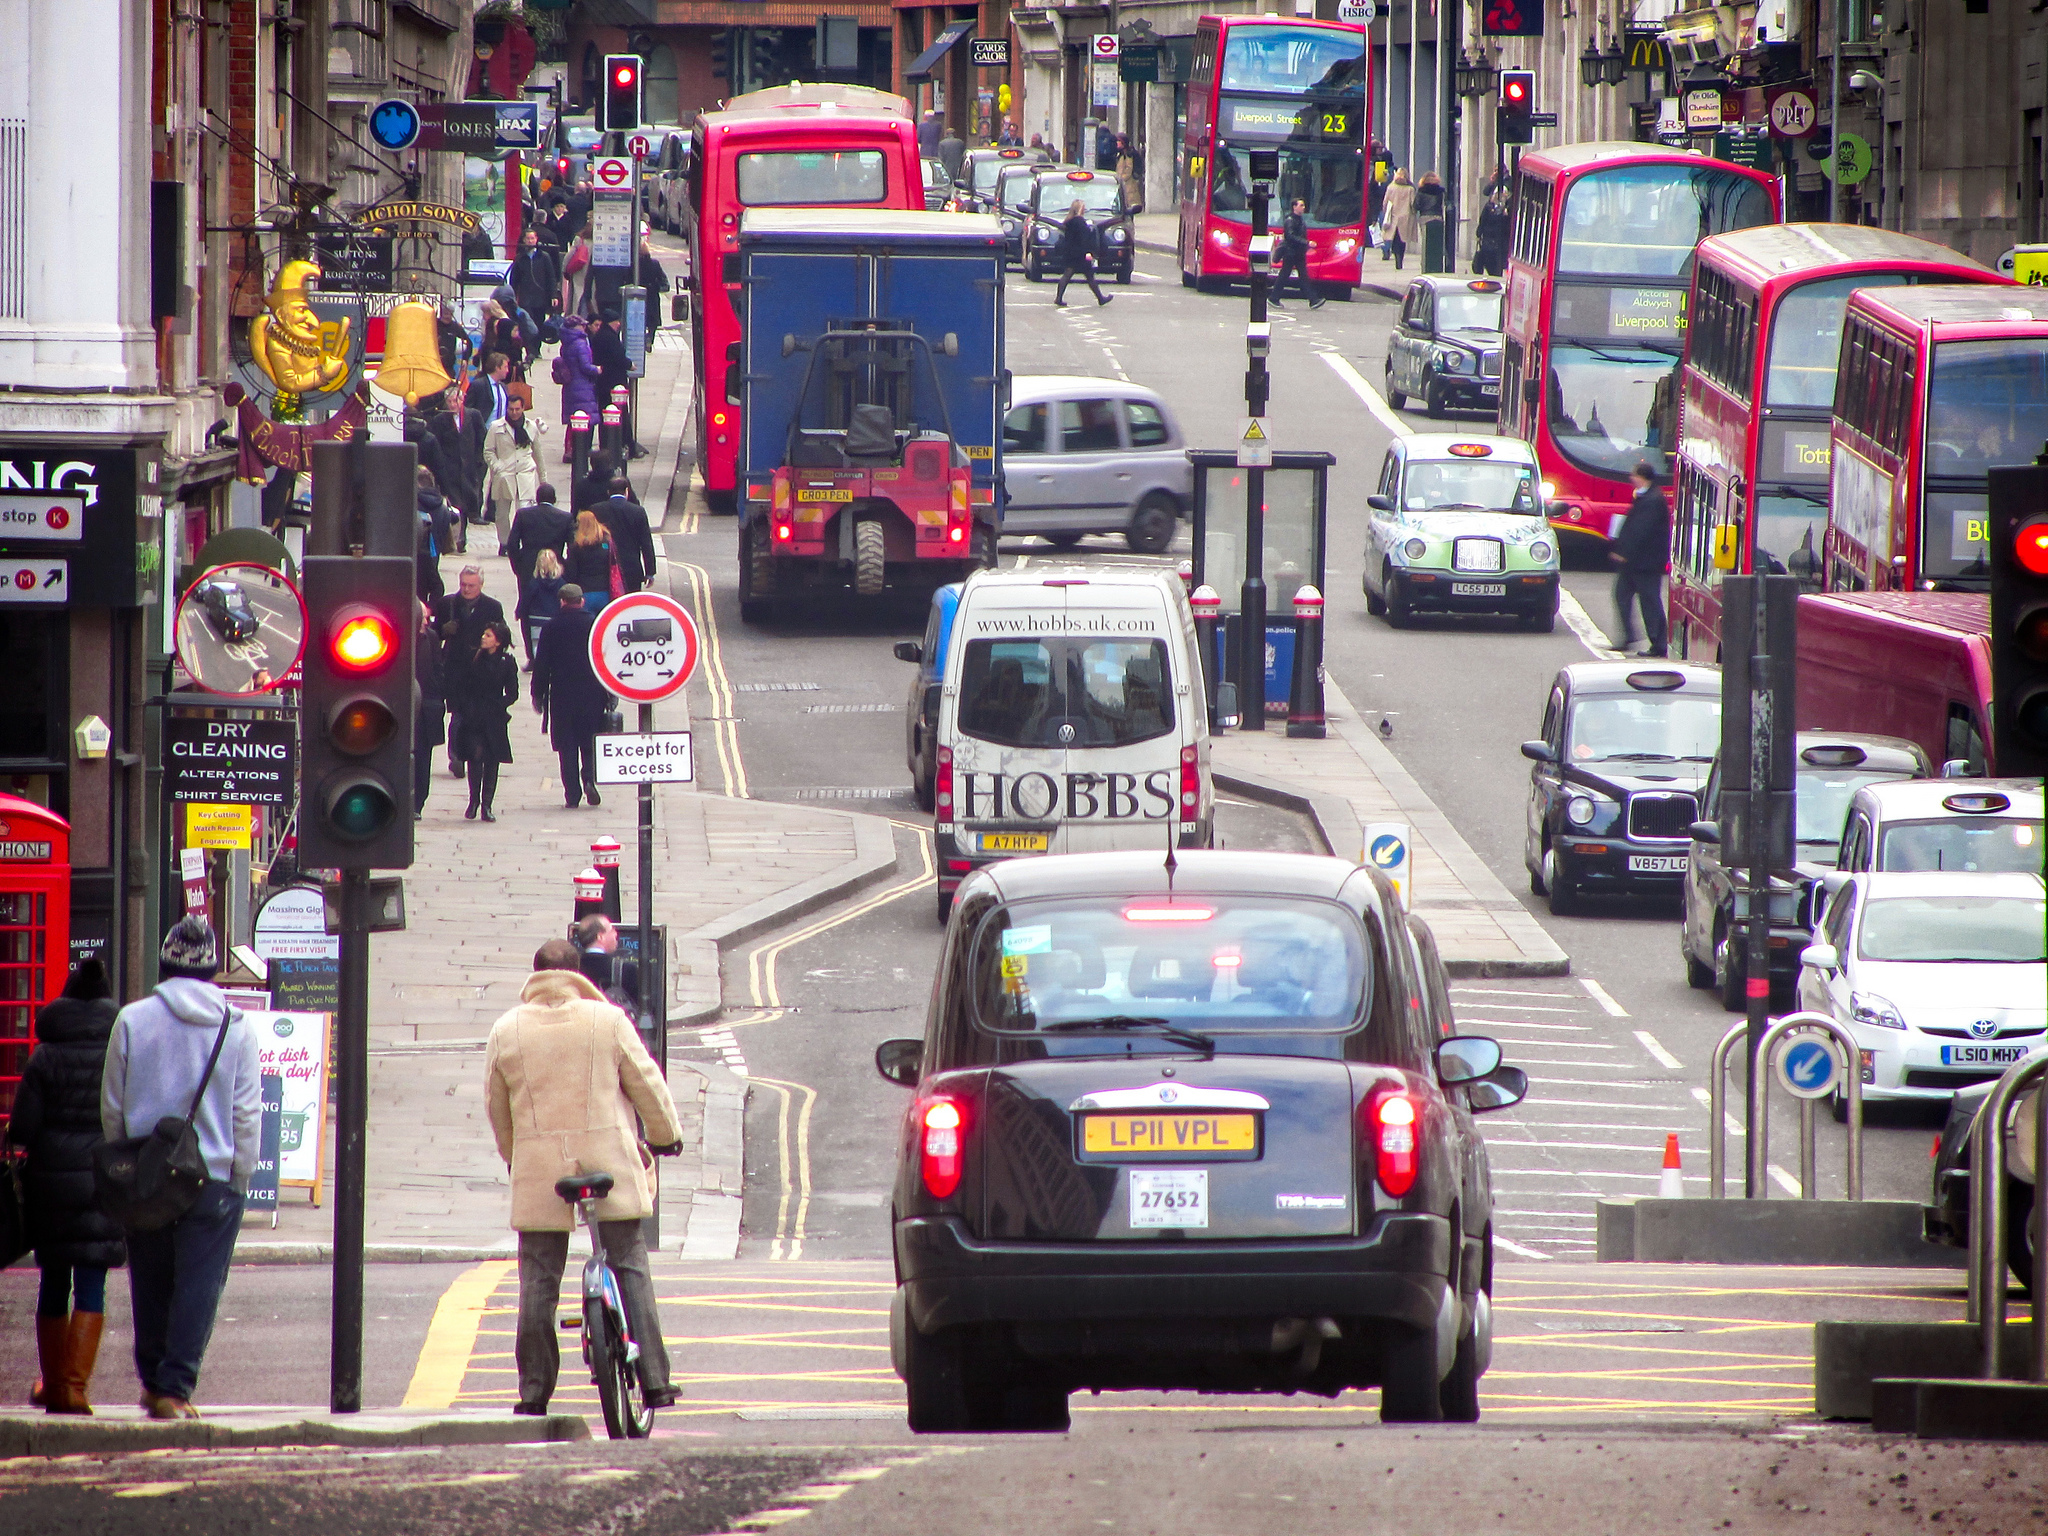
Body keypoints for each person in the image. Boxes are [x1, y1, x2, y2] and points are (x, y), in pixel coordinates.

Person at [485, 937, 683, 1417]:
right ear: (579, 976)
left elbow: (497, 1110)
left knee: (539, 1279)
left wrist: (517, 1160)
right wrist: (666, 1136)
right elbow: (647, 1084)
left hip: (541, 1170)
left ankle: (533, 1393)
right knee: (630, 1262)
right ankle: (655, 1381)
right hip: (607, 1161)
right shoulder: (608, 1020)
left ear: (535, 976)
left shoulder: (507, 1030)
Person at [99, 916, 261, 1420]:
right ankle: (174, 1386)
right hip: (210, 1177)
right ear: (213, 969)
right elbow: (246, 1113)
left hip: (146, 1172)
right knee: (199, 1284)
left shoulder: (131, 1019)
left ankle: (151, 1382)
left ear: (164, 963)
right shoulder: (235, 1027)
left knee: (149, 1278)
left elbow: (112, 1105)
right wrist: (241, 1174)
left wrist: (127, 1160)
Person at [6, 959, 125, 1415]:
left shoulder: (45, 1055)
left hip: (51, 1183)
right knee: (92, 1283)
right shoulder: (118, 1051)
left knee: (53, 1282)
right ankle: (75, 1387)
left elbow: (22, 1128)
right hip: (101, 1178)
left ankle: (54, 1386)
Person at [532, 583, 609, 808]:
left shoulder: (552, 627)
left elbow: (542, 664)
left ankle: (572, 794)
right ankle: (589, 779)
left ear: (562, 602)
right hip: (592, 693)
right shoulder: (594, 624)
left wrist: (538, 694)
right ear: (582, 601)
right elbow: (605, 659)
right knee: (589, 742)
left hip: (561, 695)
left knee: (566, 747)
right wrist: (610, 692)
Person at [434, 567, 509, 777]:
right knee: (457, 713)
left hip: (480, 669)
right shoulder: (447, 604)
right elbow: (433, 634)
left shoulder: (492, 607)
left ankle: (472, 751)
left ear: (480, 585)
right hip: (455, 668)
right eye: (463, 585)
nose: (466, 589)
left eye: (471, 586)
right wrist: (443, 630)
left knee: (473, 714)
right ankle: (456, 755)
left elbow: (501, 634)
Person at [455, 620, 519, 821]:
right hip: (473, 716)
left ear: (498, 641)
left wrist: (500, 705)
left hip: (494, 717)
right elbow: (462, 685)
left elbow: (512, 692)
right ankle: (473, 801)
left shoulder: (506, 662)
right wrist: (466, 707)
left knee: (492, 760)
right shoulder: (473, 658)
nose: (484, 637)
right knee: (475, 757)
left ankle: (487, 804)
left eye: (489, 635)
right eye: (484, 634)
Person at [1609, 460, 1672, 657]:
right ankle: (1628, 636)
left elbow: (1640, 530)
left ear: (1642, 477)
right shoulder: (1646, 497)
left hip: (1645, 563)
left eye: (1634, 475)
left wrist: (1623, 552)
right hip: (1634, 562)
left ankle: (1658, 644)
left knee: (1650, 601)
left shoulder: (1652, 500)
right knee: (1621, 594)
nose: (1631, 478)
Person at [485, 396, 545, 549]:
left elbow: (538, 453)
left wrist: (543, 478)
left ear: (523, 408)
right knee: (502, 513)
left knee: (525, 510)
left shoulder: (531, 427)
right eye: (511, 409)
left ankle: (524, 541)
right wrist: (497, 466)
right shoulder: (496, 427)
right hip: (505, 475)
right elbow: (488, 451)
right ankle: (504, 543)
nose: (514, 412)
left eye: (517, 409)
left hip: (525, 473)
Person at [588, 307, 640, 458]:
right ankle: (624, 446)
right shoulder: (609, 338)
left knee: (606, 414)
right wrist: (629, 364)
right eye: (617, 321)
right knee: (620, 415)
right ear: (611, 322)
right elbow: (617, 357)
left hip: (603, 383)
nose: (618, 324)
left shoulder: (599, 336)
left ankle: (607, 445)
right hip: (614, 383)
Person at [593, 474, 658, 594]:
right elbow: (646, 543)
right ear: (626, 491)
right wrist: (650, 572)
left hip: (604, 567)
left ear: (608, 492)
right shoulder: (638, 511)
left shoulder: (596, 510)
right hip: (631, 569)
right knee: (629, 605)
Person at [553, 314, 603, 463]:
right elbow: (585, 366)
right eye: (582, 325)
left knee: (573, 420)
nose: (584, 327)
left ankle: (570, 449)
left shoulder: (566, 342)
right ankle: (580, 449)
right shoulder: (580, 343)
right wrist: (597, 370)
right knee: (584, 418)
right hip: (583, 385)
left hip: (571, 385)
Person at [413, 601, 445, 815]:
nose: (426, 621)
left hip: (426, 708)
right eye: (422, 617)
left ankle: (418, 803)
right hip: (404, 707)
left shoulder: (431, 638)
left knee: (424, 757)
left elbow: (438, 668)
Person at [1052, 200, 1111, 308]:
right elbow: (1085, 239)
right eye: (1083, 207)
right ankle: (1100, 298)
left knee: (1068, 275)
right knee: (1089, 277)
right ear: (1080, 209)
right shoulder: (1080, 222)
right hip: (1080, 254)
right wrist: (1088, 252)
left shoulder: (1069, 221)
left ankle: (1059, 298)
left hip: (1071, 252)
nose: (1085, 209)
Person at [517, 548, 566, 671]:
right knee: (554, 644)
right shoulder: (561, 584)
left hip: (536, 619)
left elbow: (526, 600)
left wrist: (520, 612)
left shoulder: (534, 583)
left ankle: (538, 664)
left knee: (537, 644)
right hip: (554, 618)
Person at [1271, 197, 1321, 309]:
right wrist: (1307, 243)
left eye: (1303, 205)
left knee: (1301, 276)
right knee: (1286, 275)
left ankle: (1313, 300)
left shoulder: (1299, 219)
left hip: (1298, 252)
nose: (1303, 207)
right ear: (1294, 207)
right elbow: (1290, 236)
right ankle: (1274, 298)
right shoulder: (1290, 220)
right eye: (1301, 205)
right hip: (1291, 252)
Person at [510, 226, 562, 324]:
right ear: (524, 240)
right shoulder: (520, 258)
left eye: (532, 238)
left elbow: (551, 277)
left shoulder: (544, 256)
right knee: (526, 322)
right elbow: (514, 279)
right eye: (528, 239)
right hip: (525, 298)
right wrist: (514, 297)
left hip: (540, 297)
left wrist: (553, 295)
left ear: (536, 239)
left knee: (539, 322)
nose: (530, 241)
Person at [563, 508, 617, 597]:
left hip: (584, 591)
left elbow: (572, 573)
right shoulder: (607, 542)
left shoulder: (577, 546)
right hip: (604, 590)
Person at [1380, 169, 1416, 270]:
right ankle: (1400, 259)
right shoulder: (1410, 189)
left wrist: (1385, 212)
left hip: (1393, 216)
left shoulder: (1391, 187)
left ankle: (1396, 257)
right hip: (1405, 216)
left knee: (1394, 238)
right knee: (1402, 240)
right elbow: (1413, 204)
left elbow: (1385, 202)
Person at [1414, 171, 1446, 273]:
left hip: (1425, 216)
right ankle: (1437, 262)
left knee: (1426, 241)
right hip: (1437, 216)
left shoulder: (1421, 191)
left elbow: (1416, 206)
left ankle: (1426, 262)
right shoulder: (1440, 191)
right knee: (1437, 241)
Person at [1473, 192, 1510, 278]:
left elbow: (1507, 227)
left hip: (1499, 242)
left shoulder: (1506, 209)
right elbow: (1482, 221)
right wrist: (1479, 234)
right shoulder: (1488, 207)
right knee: (1489, 259)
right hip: (1488, 239)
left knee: (1497, 267)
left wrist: (1505, 216)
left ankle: (1495, 273)